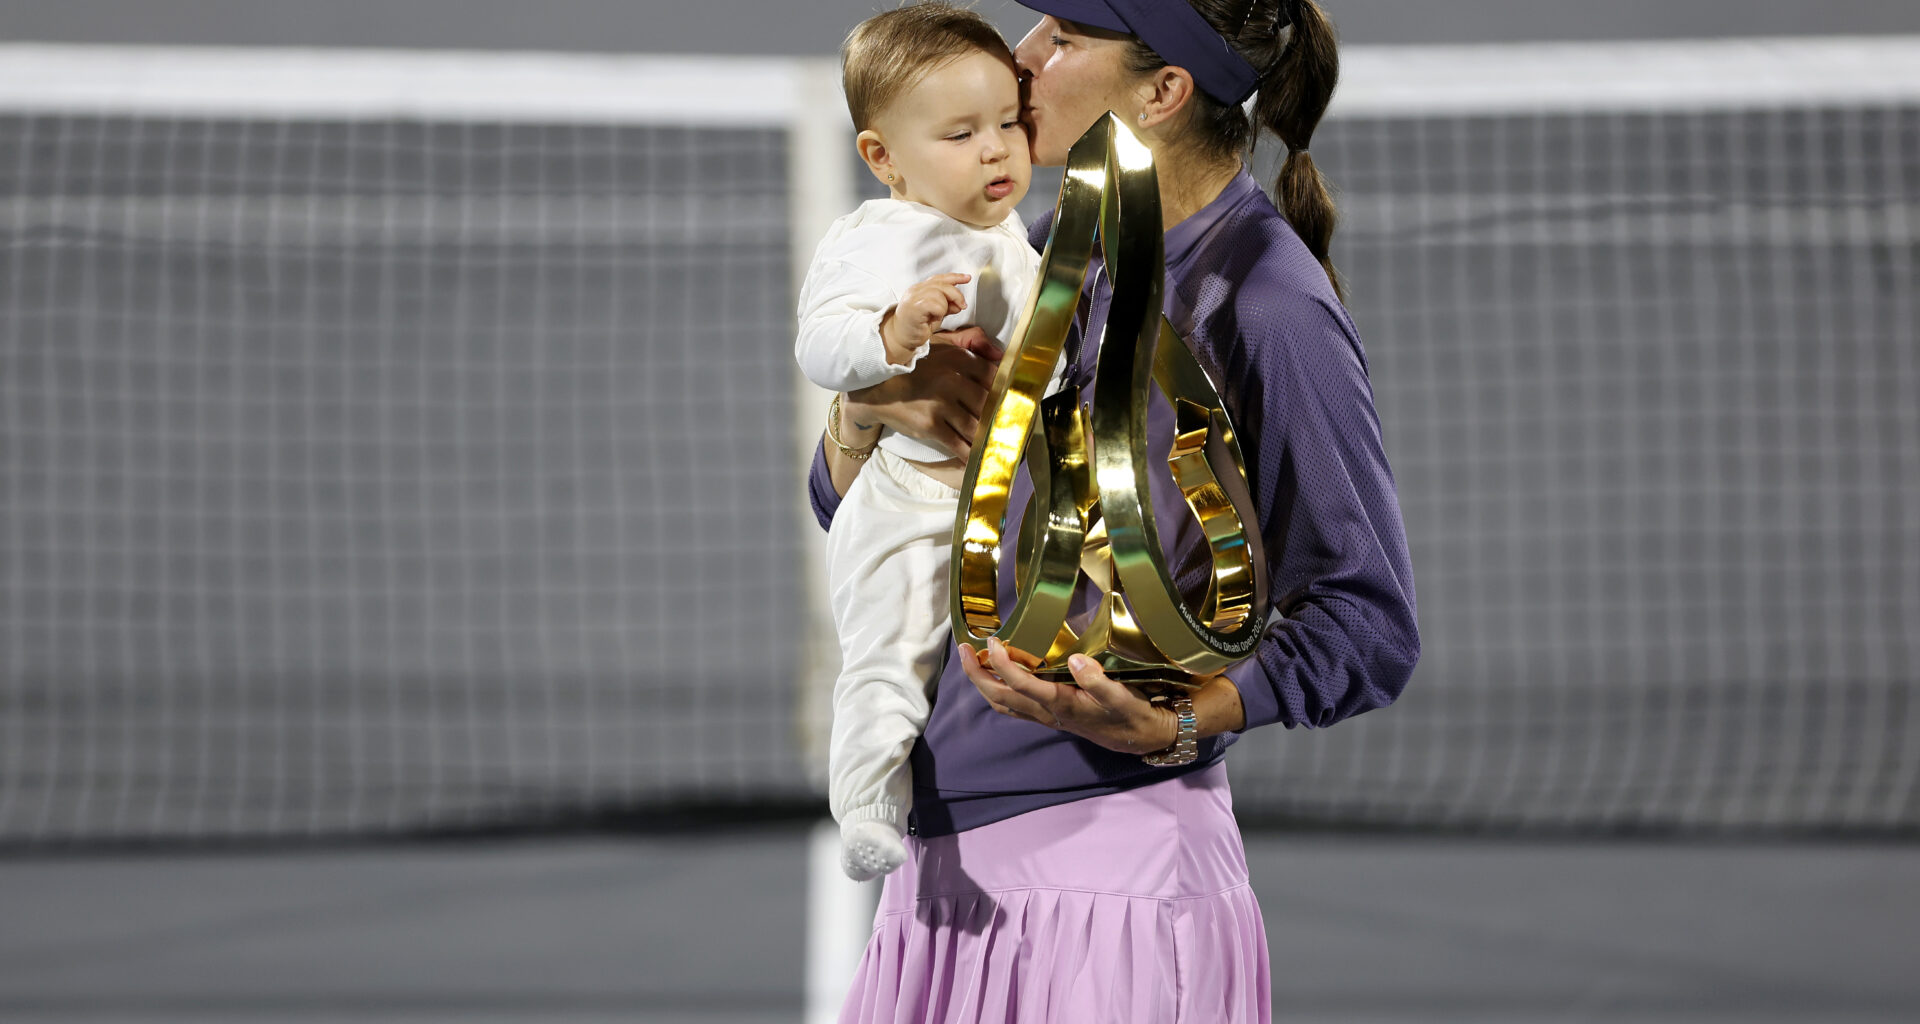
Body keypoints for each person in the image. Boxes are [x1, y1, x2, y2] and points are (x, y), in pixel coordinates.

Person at [809, 1, 1421, 1020]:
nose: (1022, 55)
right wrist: (865, 415)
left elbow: (1369, 624)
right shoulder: (1040, 250)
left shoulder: (1266, 302)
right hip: (944, 869)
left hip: (1112, 882)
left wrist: (1181, 719)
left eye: (1064, 37)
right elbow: (851, 510)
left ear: (1164, 91)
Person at [796, 2, 1062, 882]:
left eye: (1008, 124)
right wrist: (889, 338)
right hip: (909, 501)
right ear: (884, 160)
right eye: (959, 134)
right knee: (893, 645)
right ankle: (869, 800)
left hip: (1003, 508)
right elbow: (818, 344)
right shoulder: (876, 239)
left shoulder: (1027, 243)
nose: (997, 149)